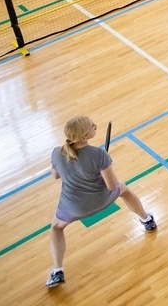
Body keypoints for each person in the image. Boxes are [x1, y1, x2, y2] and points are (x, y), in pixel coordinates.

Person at [46, 115, 157, 288]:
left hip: (73, 207)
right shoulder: (99, 154)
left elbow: (55, 175)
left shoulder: (57, 153)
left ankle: (57, 271)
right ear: (84, 136)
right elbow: (112, 186)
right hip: (102, 200)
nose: (95, 126)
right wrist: (103, 163)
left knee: (56, 228)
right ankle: (147, 219)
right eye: (92, 126)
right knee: (124, 190)